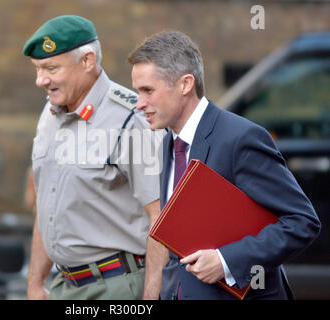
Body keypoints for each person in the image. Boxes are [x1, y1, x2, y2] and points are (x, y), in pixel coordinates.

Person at [128, 30, 321, 300]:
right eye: (138, 91)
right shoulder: (167, 141)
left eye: (148, 90)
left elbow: (302, 222)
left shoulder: (240, 138)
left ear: (185, 84)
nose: (139, 104)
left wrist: (225, 261)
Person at [22, 15, 164, 300]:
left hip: (117, 287)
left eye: (51, 68)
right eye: (37, 69)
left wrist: (151, 298)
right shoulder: (50, 113)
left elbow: (161, 216)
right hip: (64, 285)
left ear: (87, 61)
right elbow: (46, 203)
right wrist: (35, 284)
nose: (41, 80)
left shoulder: (130, 119)